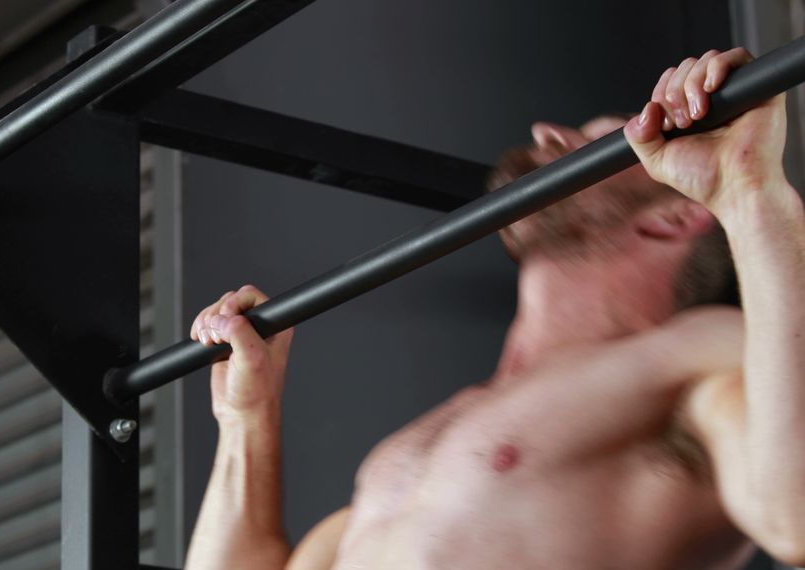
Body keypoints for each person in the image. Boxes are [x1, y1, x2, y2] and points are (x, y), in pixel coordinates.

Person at [183, 48, 805, 569]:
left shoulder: (695, 354)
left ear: (674, 214)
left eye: (598, 139)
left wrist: (749, 189)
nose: (545, 134)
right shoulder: (431, 442)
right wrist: (247, 413)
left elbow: (795, 517)